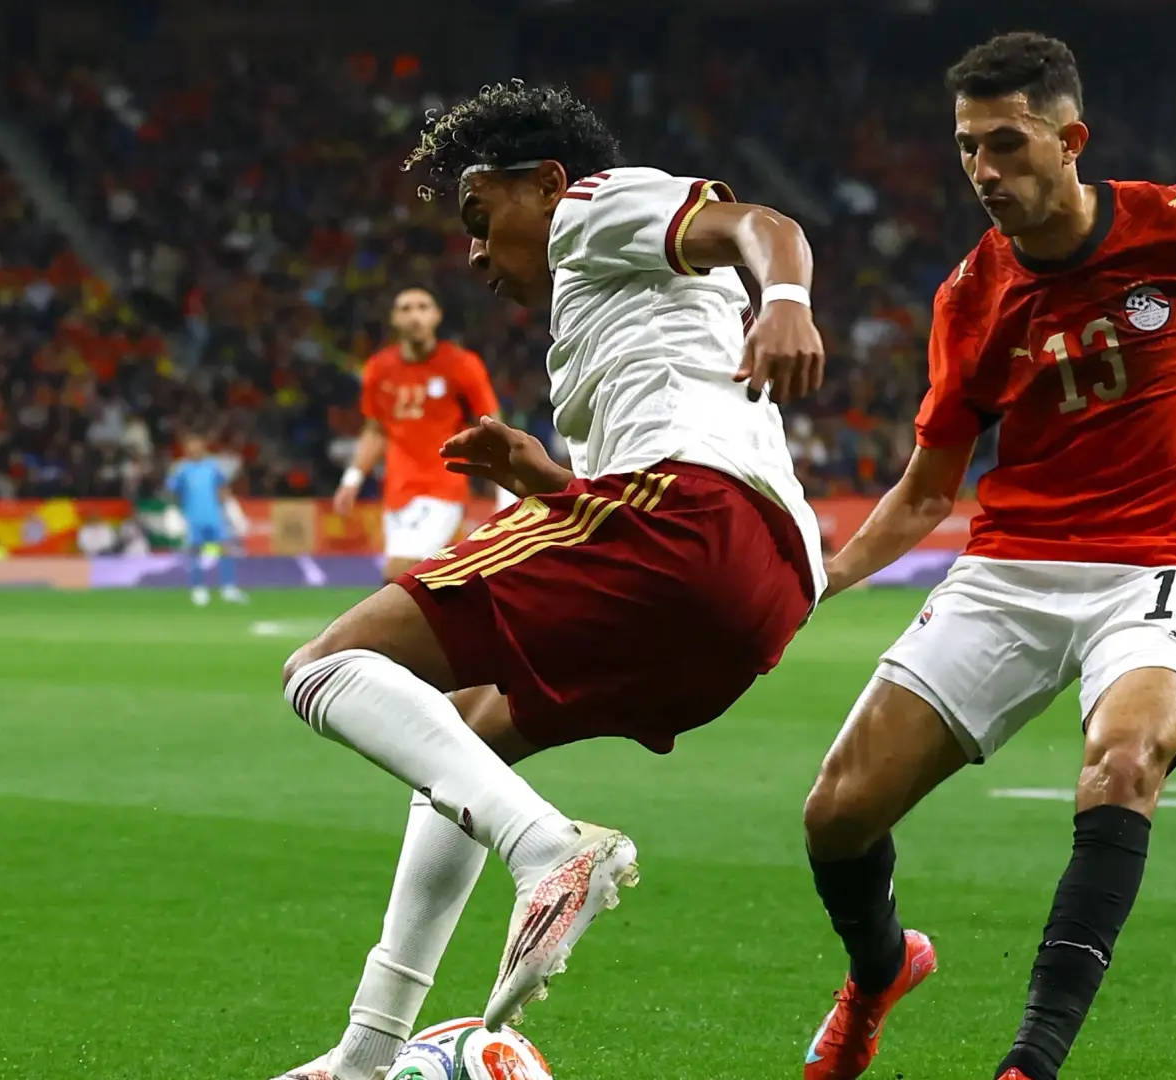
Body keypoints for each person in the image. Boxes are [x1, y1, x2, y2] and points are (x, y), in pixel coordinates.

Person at [797, 32, 1176, 1080]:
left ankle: (1029, 1063)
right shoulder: (971, 299)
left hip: (1166, 562)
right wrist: (818, 579)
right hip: (1013, 566)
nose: (983, 171)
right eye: (966, 148)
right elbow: (927, 491)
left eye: (1005, 143)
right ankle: (880, 971)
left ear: (1070, 140)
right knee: (836, 815)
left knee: (1123, 765)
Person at [274, 81, 827, 1080]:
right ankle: (366, 1054)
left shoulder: (591, 206)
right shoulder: (611, 301)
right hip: (758, 597)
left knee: (322, 668)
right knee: (463, 741)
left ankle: (544, 848)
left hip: (689, 519)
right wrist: (544, 479)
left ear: (545, 183)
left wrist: (786, 302)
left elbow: (764, 225)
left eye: (481, 217)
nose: (475, 253)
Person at [335, 287, 508, 581]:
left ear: (437, 315)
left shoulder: (462, 364)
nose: (415, 316)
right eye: (406, 309)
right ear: (394, 318)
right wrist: (352, 479)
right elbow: (376, 430)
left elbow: (491, 424)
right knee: (417, 582)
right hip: (397, 492)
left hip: (441, 487)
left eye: (423, 307)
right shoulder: (378, 368)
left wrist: (502, 487)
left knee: (397, 574)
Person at [167, 434, 246, 606]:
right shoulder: (182, 470)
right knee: (195, 552)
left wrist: (231, 509)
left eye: (197, 447)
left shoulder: (212, 467)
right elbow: (172, 491)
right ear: (186, 451)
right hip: (194, 519)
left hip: (214, 517)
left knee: (224, 549)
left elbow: (223, 488)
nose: (194, 451)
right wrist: (175, 512)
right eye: (191, 448)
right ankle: (198, 589)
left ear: (203, 448)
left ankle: (228, 588)